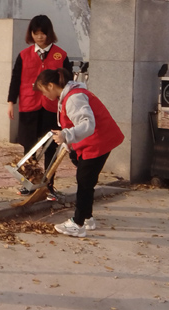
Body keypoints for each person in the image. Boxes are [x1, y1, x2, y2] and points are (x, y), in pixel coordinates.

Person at [35, 68, 124, 238]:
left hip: (97, 142)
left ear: (51, 85)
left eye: (43, 90)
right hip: (96, 141)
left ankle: (78, 224)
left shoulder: (74, 98)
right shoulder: (69, 95)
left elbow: (87, 124)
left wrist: (66, 135)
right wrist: (68, 142)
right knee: (85, 178)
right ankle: (87, 218)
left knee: (84, 183)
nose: (44, 95)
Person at [7, 14, 73, 201]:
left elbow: (68, 82)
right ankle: (28, 185)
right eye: (35, 33)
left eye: (43, 33)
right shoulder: (24, 55)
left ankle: (49, 187)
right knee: (29, 148)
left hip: (52, 107)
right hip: (29, 105)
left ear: (49, 33)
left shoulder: (61, 55)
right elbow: (16, 78)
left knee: (51, 148)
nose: (39, 37)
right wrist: (11, 102)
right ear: (31, 34)